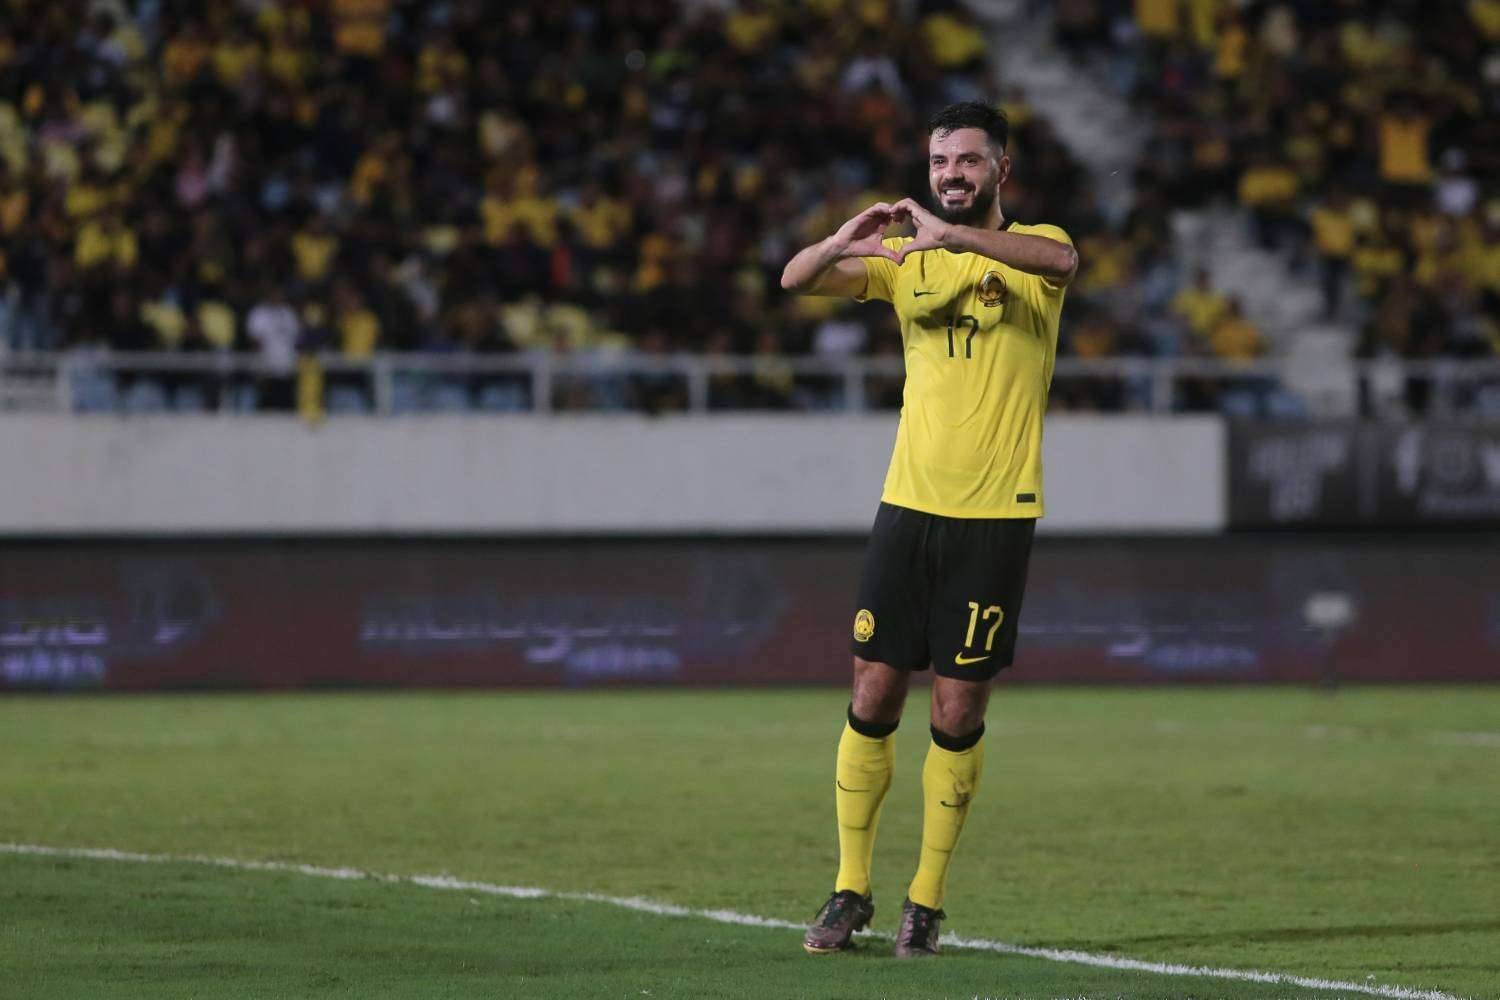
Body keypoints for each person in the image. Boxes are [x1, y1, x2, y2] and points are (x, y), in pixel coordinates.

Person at [780, 101, 1078, 959]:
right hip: (908, 506)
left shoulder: (1033, 248)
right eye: (941, 162)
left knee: (956, 707)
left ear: (1001, 170)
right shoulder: (906, 264)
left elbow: (1063, 261)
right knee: (872, 694)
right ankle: (850, 888)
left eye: (969, 161)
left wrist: (956, 239)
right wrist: (844, 240)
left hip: (996, 516)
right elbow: (796, 281)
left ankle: (925, 899)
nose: (952, 174)